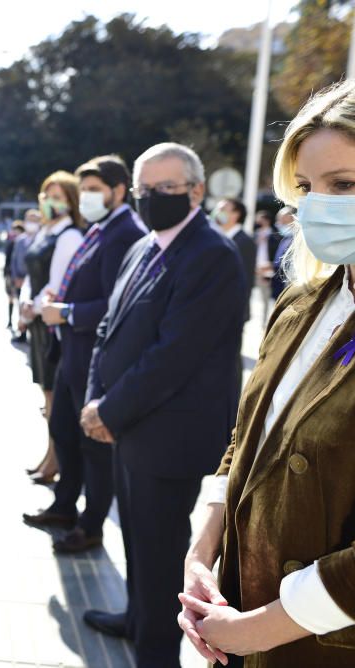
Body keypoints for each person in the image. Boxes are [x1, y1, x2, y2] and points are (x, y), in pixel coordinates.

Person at [178, 80, 355, 668]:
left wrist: (257, 630)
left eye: (344, 185)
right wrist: (202, 553)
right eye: (305, 187)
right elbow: (247, 441)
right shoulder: (302, 304)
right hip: (239, 627)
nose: (316, 205)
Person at [78, 142, 246, 666]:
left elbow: (173, 357)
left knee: (158, 548)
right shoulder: (143, 246)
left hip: (167, 436)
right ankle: (136, 618)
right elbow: (108, 331)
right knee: (135, 537)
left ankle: (154, 651)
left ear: (196, 191)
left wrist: (108, 411)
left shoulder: (213, 256)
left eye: (166, 189)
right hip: (127, 426)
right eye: (146, 189)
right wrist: (94, 401)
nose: (153, 199)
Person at [23, 155, 145, 553]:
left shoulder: (124, 232)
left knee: (93, 448)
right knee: (63, 430)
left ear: (118, 190)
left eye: (95, 190)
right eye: (85, 190)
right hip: (71, 352)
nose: (88, 197)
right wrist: (64, 298)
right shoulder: (100, 227)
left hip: (93, 356)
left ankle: (90, 526)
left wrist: (69, 311)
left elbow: (115, 304)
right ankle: (64, 506)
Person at [19, 173, 84, 485]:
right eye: (47, 195)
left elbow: (57, 283)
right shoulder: (46, 231)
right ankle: (50, 455)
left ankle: (55, 459)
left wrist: (32, 306)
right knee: (47, 397)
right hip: (37, 321)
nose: (50, 202)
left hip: (51, 324)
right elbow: (31, 276)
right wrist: (24, 303)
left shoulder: (69, 235)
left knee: (53, 398)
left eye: (58, 196)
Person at [215, 197, 258, 324]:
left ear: (236, 214)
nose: (217, 212)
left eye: (222, 209)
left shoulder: (244, 242)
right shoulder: (221, 238)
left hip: (230, 313)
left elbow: (245, 281)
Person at [7, 213, 39, 339]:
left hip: (33, 281)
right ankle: (22, 332)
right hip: (19, 279)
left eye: (34, 220)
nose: (31, 223)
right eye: (29, 220)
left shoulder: (41, 239)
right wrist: (15, 277)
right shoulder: (20, 240)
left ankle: (32, 333)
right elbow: (14, 259)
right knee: (20, 305)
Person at [254, 209, 284, 322]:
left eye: (260, 219)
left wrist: (270, 268)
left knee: (268, 298)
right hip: (256, 270)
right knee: (259, 298)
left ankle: (266, 322)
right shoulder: (255, 234)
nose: (258, 222)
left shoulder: (275, 236)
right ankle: (261, 321)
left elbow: (277, 255)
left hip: (269, 271)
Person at [271, 207, 296, 301]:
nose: (279, 224)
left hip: (288, 289)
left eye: (283, 222)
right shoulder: (285, 238)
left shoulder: (298, 240)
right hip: (278, 287)